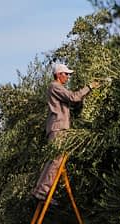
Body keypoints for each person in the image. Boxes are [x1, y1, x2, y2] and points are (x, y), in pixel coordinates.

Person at [31, 63, 100, 202]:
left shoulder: (57, 88)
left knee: (54, 159)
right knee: (57, 159)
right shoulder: (55, 87)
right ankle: (43, 191)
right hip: (58, 128)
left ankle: (40, 190)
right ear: (58, 74)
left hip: (58, 128)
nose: (68, 77)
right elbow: (73, 97)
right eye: (66, 74)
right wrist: (89, 87)